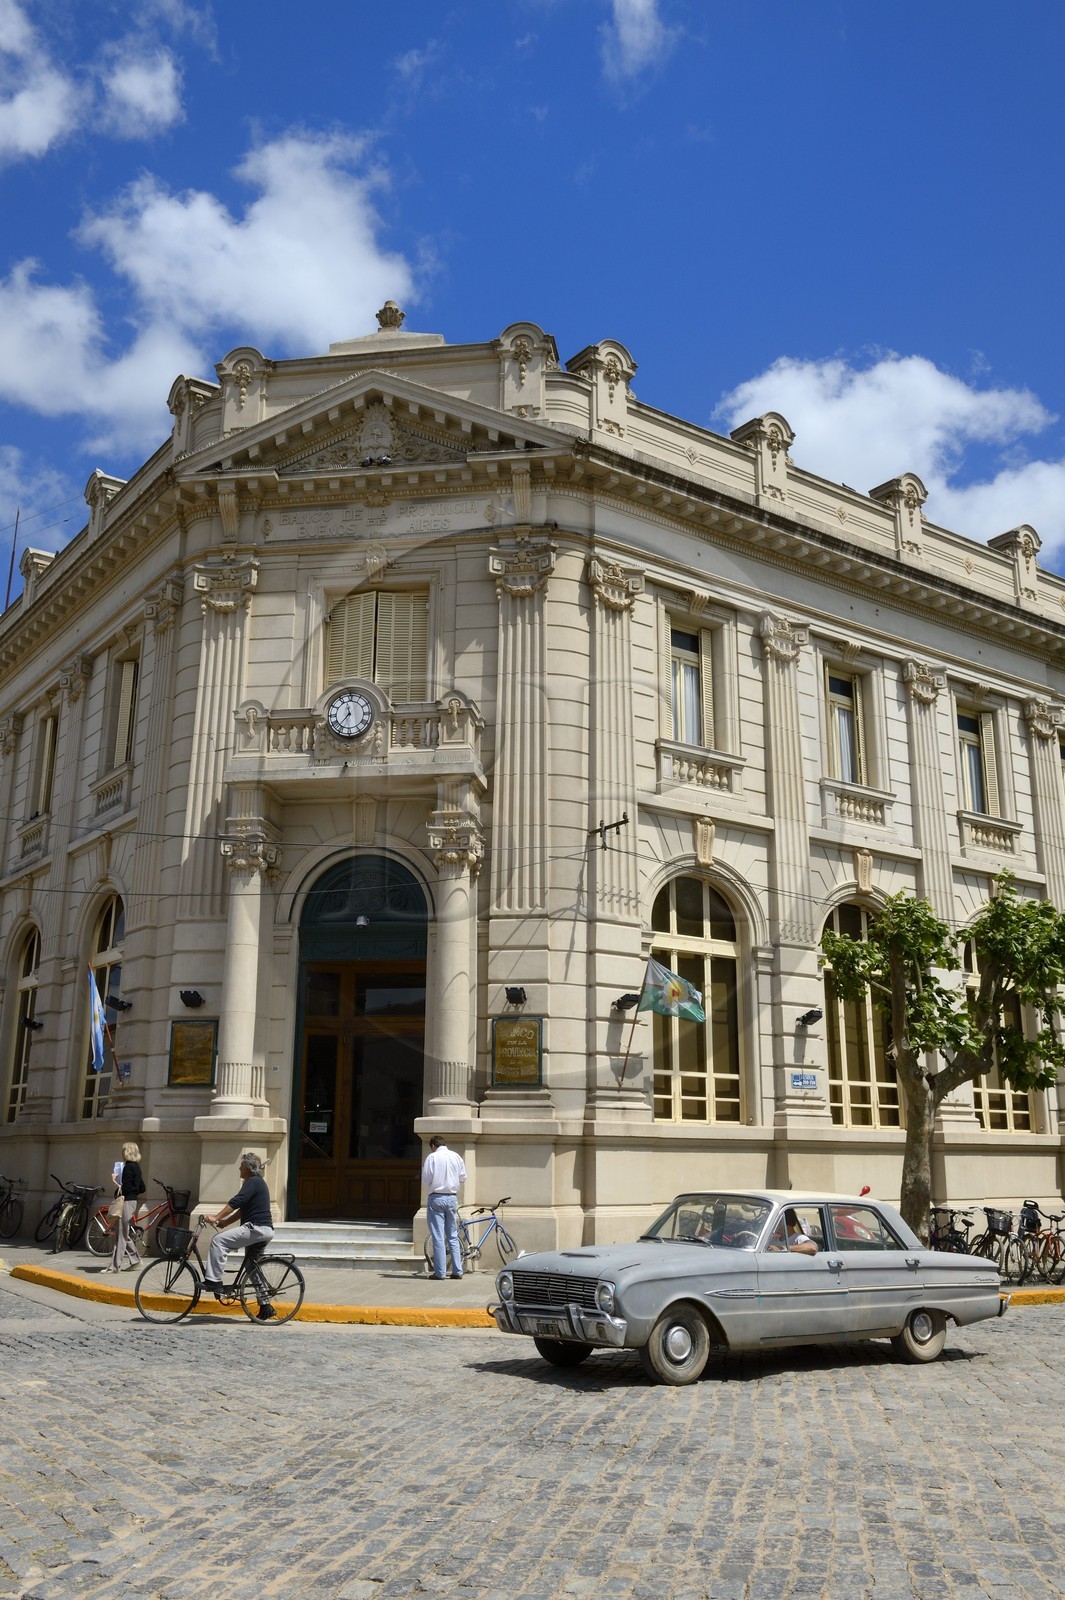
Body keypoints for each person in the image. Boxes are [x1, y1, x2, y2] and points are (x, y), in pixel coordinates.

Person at [203, 1153, 276, 1320]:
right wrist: (225, 1222)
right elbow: (243, 1208)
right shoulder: (257, 1182)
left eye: (241, 1165)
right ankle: (266, 1306)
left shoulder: (252, 1182)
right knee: (252, 1265)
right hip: (264, 1230)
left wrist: (216, 1217)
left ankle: (213, 1281)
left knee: (218, 1241)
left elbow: (237, 1201)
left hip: (256, 1228)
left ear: (247, 1169)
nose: (239, 1168)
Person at [422, 1135, 467, 1280]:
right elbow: (463, 1177)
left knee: (438, 1236)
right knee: (452, 1236)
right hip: (452, 1197)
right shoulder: (456, 1157)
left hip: (437, 1197)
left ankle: (440, 1272)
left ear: (433, 1145)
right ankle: (457, 1271)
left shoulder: (432, 1157)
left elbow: (426, 1179)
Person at [104, 1141, 146, 1272]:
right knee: (123, 1233)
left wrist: (116, 1182)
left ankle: (115, 1266)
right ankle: (136, 1261)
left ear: (126, 1152)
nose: (121, 1153)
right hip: (132, 1201)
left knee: (121, 1235)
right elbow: (142, 1187)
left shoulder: (128, 1167)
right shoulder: (136, 1167)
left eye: (123, 1151)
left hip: (126, 1201)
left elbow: (127, 1187)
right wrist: (132, 1193)